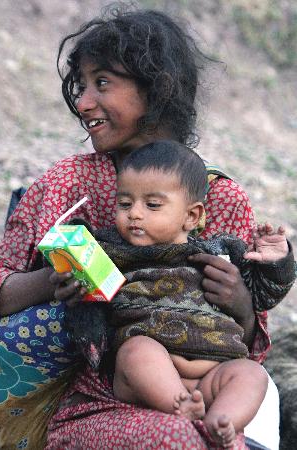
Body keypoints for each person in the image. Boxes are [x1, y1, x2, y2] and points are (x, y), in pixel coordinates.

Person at [0, 4, 289, 449]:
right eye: (81, 86)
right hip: (99, 398)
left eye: (101, 83)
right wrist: (53, 281)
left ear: (157, 89)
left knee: (233, 417)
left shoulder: (219, 198)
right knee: (177, 438)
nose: (83, 103)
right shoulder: (71, 182)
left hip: (208, 387)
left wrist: (240, 301)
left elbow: (250, 345)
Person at [64, 141, 294, 448]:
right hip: (150, 376)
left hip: (214, 372)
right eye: (124, 203)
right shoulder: (112, 250)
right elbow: (73, 251)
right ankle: (180, 408)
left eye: (152, 205)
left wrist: (278, 261)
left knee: (252, 374)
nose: (135, 214)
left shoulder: (220, 251)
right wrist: (71, 245)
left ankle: (223, 424)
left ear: (191, 216)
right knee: (136, 351)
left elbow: (265, 295)